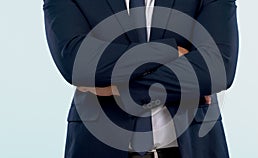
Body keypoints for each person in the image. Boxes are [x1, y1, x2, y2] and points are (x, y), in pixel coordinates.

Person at [43, 0, 239, 157]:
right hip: (97, 147)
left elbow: (218, 67)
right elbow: (77, 63)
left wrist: (118, 89)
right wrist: (168, 51)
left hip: (193, 147)